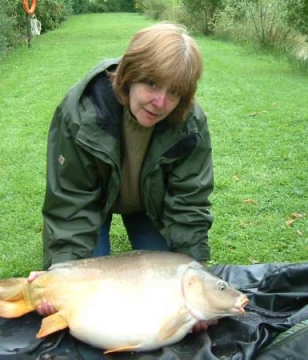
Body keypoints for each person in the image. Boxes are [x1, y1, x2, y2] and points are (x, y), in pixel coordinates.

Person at [29, 22, 214, 320]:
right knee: (87, 295)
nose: (160, 102)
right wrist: (61, 270)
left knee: (172, 289)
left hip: (149, 205)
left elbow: (189, 200)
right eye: (151, 83)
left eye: (175, 92)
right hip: (94, 203)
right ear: (129, 75)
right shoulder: (79, 112)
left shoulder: (190, 123)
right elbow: (70, 201)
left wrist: (197, 278)